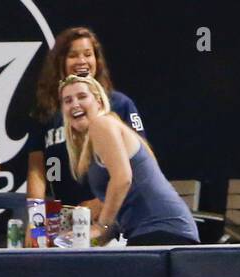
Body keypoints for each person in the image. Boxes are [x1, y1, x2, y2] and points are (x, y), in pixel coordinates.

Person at [59, 75, 198, 245]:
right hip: (156, 231)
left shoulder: (102, 124)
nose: (75, 104)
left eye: (82, 96)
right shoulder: (94, 143)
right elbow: (126, 201)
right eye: (67, 100)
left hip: (163, 231)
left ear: (99, 103)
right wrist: (88, 236)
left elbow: (122, 179)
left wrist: (101, 226)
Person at [28, 27, 147, 220]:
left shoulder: (119, 104)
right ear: (60, 62)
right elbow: (36, 170)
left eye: (88, 54)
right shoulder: (46, 110)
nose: (82, 61)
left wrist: (101, 203)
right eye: (73, 55)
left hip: (114, 214)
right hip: (65, 216)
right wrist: (35, 216)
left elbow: (140, 164)